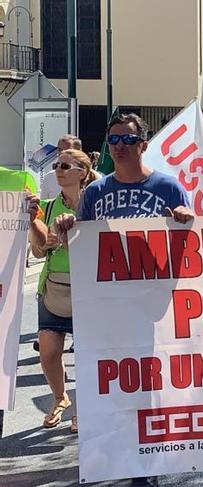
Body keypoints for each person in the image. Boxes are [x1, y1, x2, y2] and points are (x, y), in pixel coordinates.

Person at [54, 113, 193, 487]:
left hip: (150, 305)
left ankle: (144, 466)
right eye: (114, 139)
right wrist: (67, 226)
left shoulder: (168, 188)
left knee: (145, 386)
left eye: (128, 140)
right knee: (107, 382)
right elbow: (79, 247)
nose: (119, 146)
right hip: (106, 307)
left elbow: (189, 247)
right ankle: (112, 454)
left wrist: (186, 221)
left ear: (143, 145)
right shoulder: (96, 194)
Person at [26, 149, 97, 435]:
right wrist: (33, 223)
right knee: (49, 353)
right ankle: (60, 398)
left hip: (88, 289)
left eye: (65, 165)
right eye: (56, 165)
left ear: (82, 172)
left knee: (88, 355)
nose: (58, 170)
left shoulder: (93, 205)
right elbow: (38, 250)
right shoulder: (47, 205)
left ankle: (85, 409)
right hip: (53, 287)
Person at [41, 134, 83, 200]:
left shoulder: (90, 177)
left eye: (67, 150)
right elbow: (42, 207)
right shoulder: (49, 178)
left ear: (78, 152)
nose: (62, 153)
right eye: (60, 150)